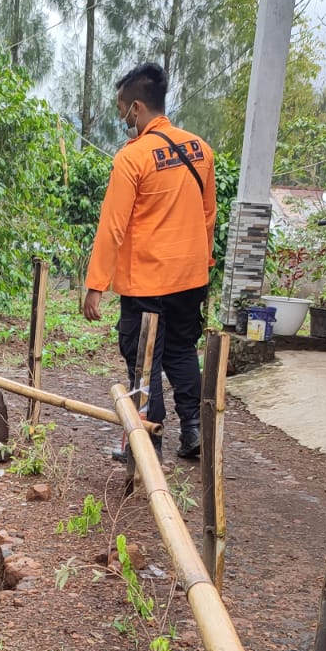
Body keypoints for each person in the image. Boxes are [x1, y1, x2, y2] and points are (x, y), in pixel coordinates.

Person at [82, 61, 217, 461]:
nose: (122, 117)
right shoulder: (200, 150)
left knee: (143, 360)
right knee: (179, 351)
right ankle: (193, 431)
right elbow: (208, 215)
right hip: (189, 280)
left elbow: (112, 225)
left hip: (146, 284)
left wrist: (96, 284)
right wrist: (199, 263)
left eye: (122, 109)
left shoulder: (133, 157)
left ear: (136, 108)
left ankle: (146, 444)